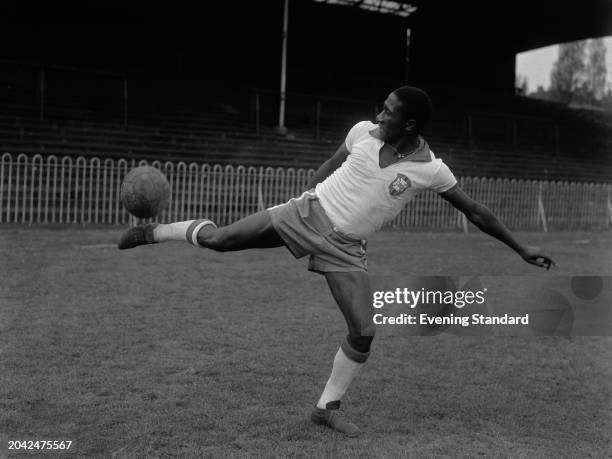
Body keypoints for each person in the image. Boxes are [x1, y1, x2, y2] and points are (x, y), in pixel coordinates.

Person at [118, 86, 555, 437]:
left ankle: (326, 408)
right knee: (221, 240)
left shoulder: (431, 169)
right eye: (381, 108)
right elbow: (330, 164)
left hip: (346, 248)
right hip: (306, 213)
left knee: (364, 330)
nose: (379, 115)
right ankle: (152, 233)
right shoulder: (362, 132)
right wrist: (303, 201)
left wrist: (521, 248)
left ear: (409, 123)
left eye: (388, 112)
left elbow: (475, 211)